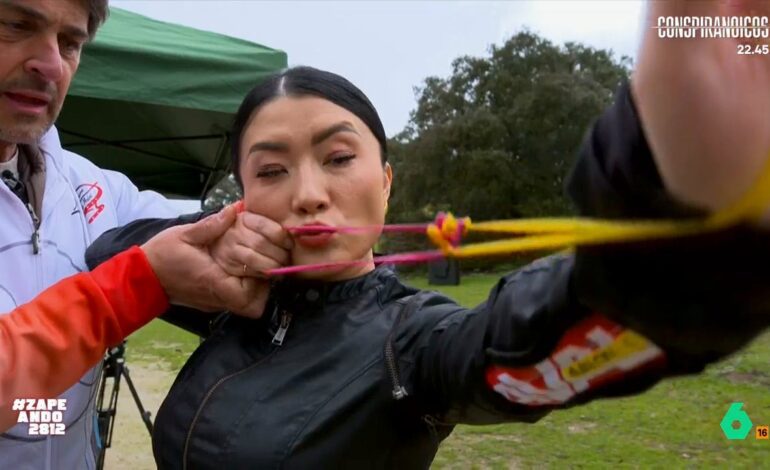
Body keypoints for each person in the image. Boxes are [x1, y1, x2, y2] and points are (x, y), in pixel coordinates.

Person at [86, 0, 770, 468]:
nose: (309, 193)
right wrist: (210, 245)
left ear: (386, 182)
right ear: (241, 195)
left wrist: (687, 213)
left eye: (338, 157)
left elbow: (530, 339)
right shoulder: (238, 296)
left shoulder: (413, 344)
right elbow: (106, 254)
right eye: (271, 169)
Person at [0, 1, 274, 467]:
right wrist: (138, 284)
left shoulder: (94, 187)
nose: (50, 64)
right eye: (16, 24)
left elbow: (202, 236)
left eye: (71, 43)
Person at [0, 205, 258, 432]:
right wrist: (141, 278)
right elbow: (108, 251)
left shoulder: (83, 175)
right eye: (270, 171)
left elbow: (115, 241)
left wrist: (227, 235)